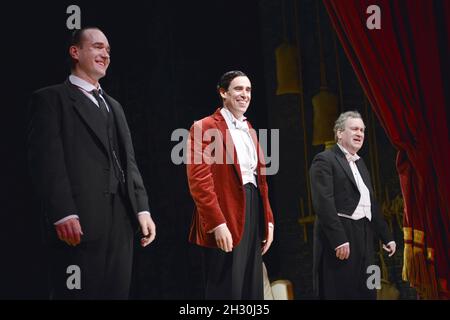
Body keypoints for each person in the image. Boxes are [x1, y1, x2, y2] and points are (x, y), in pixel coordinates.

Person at [27, 27, 156, 299]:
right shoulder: (51, 99)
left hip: (120, 218)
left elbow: (128, 160)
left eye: (108, 50)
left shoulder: (114, 106)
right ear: (75, 52)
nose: (105, 54)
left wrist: (142, 208)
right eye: (98, 47)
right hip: (80, 219)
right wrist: (63, 211)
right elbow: (48, 160)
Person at [186, 70, 274, 299]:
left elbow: (261, 182)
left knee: (252, 289)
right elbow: (199, 180)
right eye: (238, 89)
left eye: (248, 90)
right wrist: (217, 223)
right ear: (223, 92)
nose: (245, 94)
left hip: (252, 209)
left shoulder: (250, 129)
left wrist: (269, 221)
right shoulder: (204, 126)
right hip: (224, 213)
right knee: (227, 289)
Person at [310, 111, 396, 299]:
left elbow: (369, 203)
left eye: (362, 130)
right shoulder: (324, 160)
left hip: (364, 235)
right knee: (342, 292)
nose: (360, 134)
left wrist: (386, 236)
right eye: (355, 129)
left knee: (367, 290)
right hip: (341, 235)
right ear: (339, 133)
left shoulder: (361, 163)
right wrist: (339, 238)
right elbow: (323, 203)